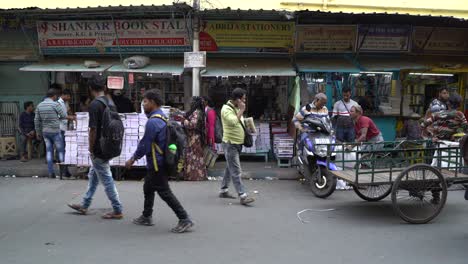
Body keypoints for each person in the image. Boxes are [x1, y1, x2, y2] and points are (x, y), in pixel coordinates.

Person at [125, 89, 194, 233]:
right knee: (148, 187)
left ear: (153, 102)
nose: (142, 105)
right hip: (158, 161)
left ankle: (184, 218)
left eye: (145, 102)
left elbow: (145, 144)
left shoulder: (153, 122)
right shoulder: (162, 117)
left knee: (164, 192)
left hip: (157, 163)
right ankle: (146, 216)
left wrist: (132, 159)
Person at [67, 81, 123, 220]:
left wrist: (91, 148)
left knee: (106, 177)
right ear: (104, 88)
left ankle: (117, 209)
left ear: (90, 89)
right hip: (112, 144)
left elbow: (93, 129)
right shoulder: (110, 102)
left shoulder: (95, 104)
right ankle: (85, 204)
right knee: (94, 174)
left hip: (100, 146)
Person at [219, 88, 255, 205]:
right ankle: (242, 195)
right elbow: (233, 121)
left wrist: (248, 125)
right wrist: (242, 110)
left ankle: (224, 190)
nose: (244, 101)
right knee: (235, 170)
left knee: (230, 167)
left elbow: (239, 122)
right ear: (238, 99)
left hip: (237, 143)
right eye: (243, 99)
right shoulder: (226, 109)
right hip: (230, 143)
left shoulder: (235, 108)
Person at [34, 88, 67, 178]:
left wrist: (38, 132)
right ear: (54, 96)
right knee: (60, 151)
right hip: (56, 131)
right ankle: (63, 172)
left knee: (49, 152)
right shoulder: (55, 104)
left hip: (45, 132)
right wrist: (57, 116)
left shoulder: (39, 105)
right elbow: (64, 115)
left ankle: (50, 172)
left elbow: (36, 120)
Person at [182, 96, 208, 181]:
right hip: (196, 137)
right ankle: (198, 175)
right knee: (197, 156)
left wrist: (184, 121)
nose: (190, 103)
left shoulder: (196, 112)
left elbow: (192, 124)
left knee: (192, 156)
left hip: (193, 137)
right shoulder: (200, 112)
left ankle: (193, 176)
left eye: (191, 102)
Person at [58, 88, 76, 178]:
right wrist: (71, 117)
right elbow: (60, 116)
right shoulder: (58, 103)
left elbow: (68, 111)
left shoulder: (66, 103)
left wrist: (73, 115)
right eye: (68, 96)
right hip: (60, 128)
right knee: (62, 150)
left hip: (65, 129)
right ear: (64, 95)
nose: (69, 98)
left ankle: (66, 171)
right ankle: (64, 172)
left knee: (65, 150)